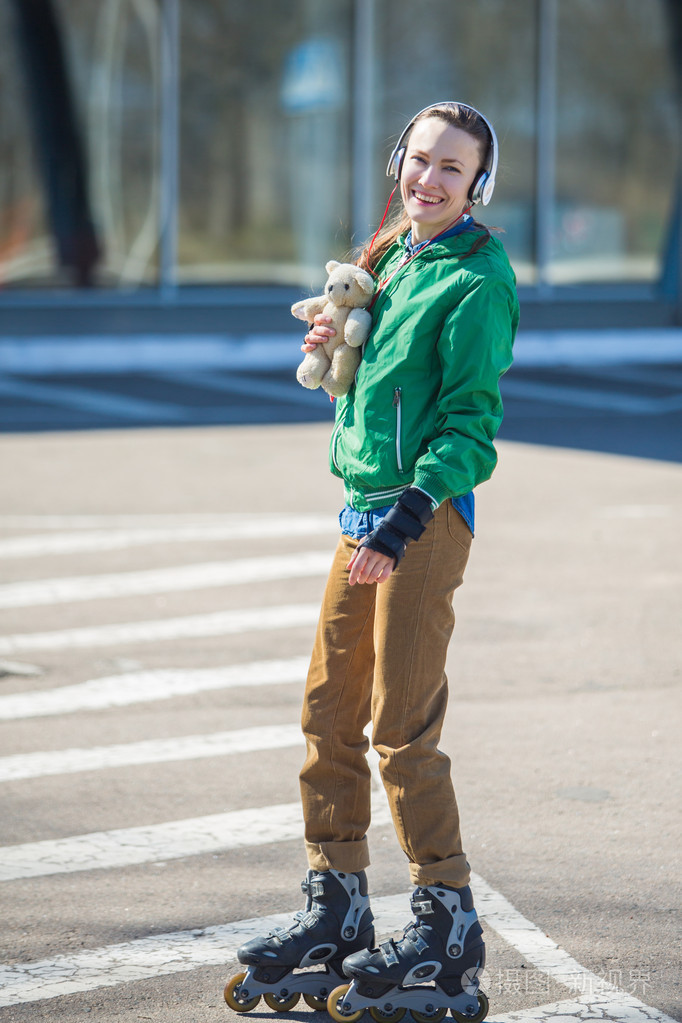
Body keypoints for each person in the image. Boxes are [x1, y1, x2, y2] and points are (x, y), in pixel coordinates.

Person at [224, 101, 519, 1022]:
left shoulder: (479, 278)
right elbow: (373, 388)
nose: (429, 180)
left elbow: (471, 425)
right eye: (420, 160)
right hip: (362, 512)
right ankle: (337, 906)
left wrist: (405, 518)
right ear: (400, 160)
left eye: (451, 170)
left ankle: (445, 921)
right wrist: (333, 359)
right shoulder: (391, 252)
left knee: (399, 723)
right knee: (328, 711)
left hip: (420, 522)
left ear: (478, 187)